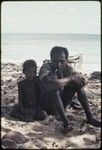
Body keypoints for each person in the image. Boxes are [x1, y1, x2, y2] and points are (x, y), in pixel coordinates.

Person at [39, 46, 101, 133]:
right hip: (46, 106)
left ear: (67, 60)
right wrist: (70, 79)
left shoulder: (68, 68)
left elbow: (81, 81)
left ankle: (90, 117)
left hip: (61, 106)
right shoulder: (45, 68)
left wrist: (77, 80)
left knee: (79, 87)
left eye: (62, 61)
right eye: (55, 60)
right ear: (50, 59)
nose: (58, 64)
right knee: (54, 89)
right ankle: (66, 122)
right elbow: (49, 85)